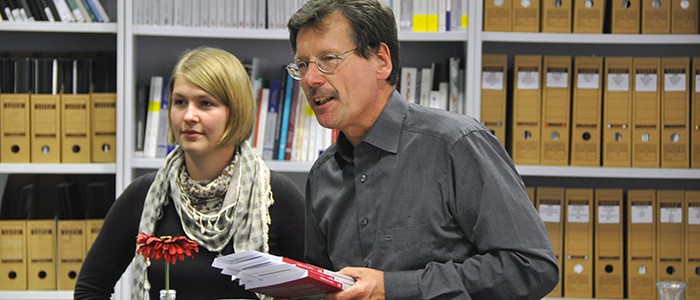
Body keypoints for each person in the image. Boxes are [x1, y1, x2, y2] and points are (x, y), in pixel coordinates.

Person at [286, 1, 559, 299]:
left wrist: (392, 288)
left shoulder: (455, 144)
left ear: (381, 60)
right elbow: (322, 282)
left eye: (328, 58)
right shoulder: (323, 174)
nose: (311, 79)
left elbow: (531, 266)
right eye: (302, 65)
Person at [75, 47, 305, 299]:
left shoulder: (276, 196)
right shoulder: (144, 195)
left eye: (205, 103)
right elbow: (90, 289)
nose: (188, 116)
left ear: (236, 111)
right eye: (180, 102)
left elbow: (320, 292)